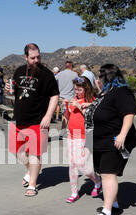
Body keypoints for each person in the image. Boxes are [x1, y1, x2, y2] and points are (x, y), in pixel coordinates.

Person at [81, 64, 136, 215]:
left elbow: (129, 113)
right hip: (99, 139)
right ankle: (114, 204)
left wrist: (122, 135)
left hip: (113, 140)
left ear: (107, 77)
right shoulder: (106, 92)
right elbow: (104, 109)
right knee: (103, 172)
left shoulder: (121, 92)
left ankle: (107, 212)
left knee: (108, 174)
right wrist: (89, 106)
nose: (97, 80)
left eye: (99, 77)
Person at [6, 43, 59, 197]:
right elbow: (15, 90)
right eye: (33, 57)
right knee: (16, 151)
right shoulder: (19, 71)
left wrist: (48, 116)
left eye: (38, 57)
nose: (36, 60)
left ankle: (33, 184)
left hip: (38, 120)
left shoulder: (47, 74)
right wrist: (11, 89)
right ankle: (31, 170)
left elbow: (55, 96)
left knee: (35, 154)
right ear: (26, 57)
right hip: (19, 119)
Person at [63, 76, 101, 203]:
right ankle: (74, 192)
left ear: (86, 88)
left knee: (84, 165)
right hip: (72, 135)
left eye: (79, 90)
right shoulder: (74, 99)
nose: (76, 92)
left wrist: (80, 107)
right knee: (72, 164)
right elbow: (67, 117)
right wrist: (65, 108)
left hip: (86, 135)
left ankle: (97, 180)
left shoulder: (92, 100)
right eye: (75, 89)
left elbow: (92, 117)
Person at [55, 61, 78, 128]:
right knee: (72, 115)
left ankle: (63, 132)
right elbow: (79, 83)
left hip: (62, 98)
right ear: (71, 66)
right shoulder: (74, 74)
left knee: (64, 115)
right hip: (71, 98)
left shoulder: (59, 74)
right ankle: (71, 131)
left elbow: (53, 80)